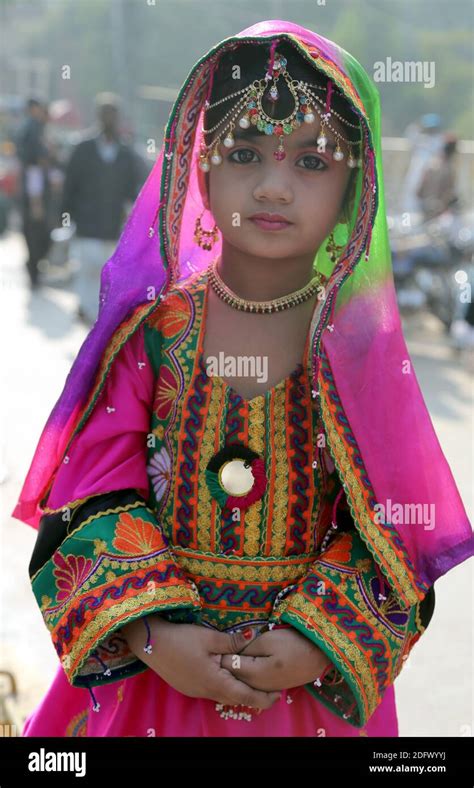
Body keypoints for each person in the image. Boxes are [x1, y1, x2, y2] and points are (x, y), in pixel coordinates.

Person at [12, 21, 473, 738]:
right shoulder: (154, 335)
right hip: (154, 684)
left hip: (303, 694)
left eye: (313, 162)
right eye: (245, 152)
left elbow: (394, 530)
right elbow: (90, 492)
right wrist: (151, 635)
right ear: (201, 169)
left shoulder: (359, 357)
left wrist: (313, 641)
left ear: (358, 182)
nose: (272, 186)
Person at [60, 92, 143, 326]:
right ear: (98, 117)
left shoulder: (126, 153)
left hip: (112, 225)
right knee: (86, 269)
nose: (109, 120)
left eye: (113, 115)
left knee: (106, 272)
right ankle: (86, 312)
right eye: (105, 114)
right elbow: (70, 185)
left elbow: (133, 189)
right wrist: (65, 217)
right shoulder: (83, 148)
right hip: (86, 223)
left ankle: (100, 317)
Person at [15, 98, 52, 289]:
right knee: (38, 235)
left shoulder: (26, 128)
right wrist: (37, 200)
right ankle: (34, 271)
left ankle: (33, 269)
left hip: (27, 191)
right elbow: (35, 166)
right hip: (34, 192)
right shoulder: (34, 128)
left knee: (32, 234)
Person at [416, 133, 460, 220]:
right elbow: (448, 193)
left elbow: (418, 192)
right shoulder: (449, 169)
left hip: (425, 209)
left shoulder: (431, 163)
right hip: (438, 213)